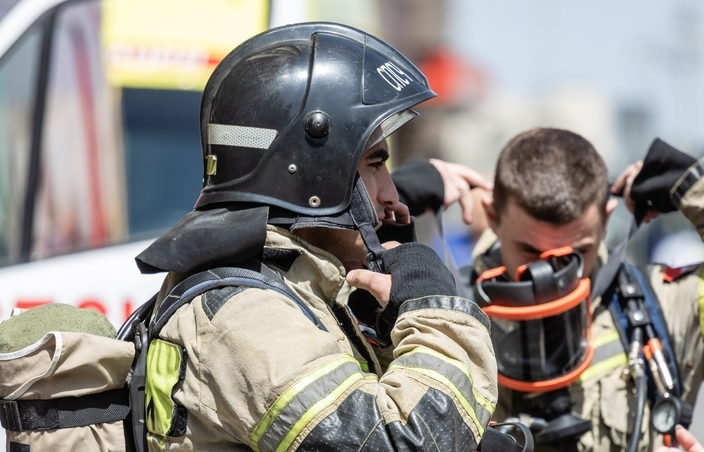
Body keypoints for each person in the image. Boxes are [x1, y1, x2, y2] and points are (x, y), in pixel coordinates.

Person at [134, 23, 499, 451]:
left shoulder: (279, 288)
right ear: (315, 175)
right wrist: (430, 304)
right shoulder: (245, 316)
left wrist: (384, 326)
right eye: (375, 164)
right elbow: (409, 441)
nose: (392, 195)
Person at [471, 127, 704, 451]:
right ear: (492, 216)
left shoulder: (659, 307)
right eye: (530, 252)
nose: (552, 276)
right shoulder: (451, 320)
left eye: (576, 254)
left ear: (605, 220)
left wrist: (688, 183)